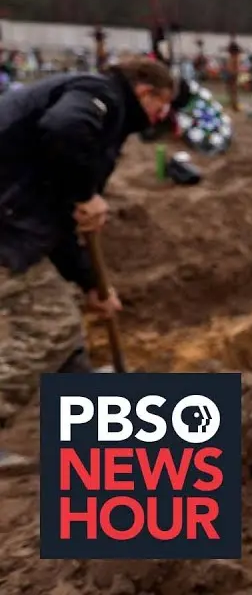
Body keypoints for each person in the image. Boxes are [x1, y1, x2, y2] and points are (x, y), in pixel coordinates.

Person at [0, 57, 175, 471]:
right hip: (5, 224)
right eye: (161, 106)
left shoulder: (95, 128)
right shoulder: (101, 95)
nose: (159, 118)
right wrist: (85, 194)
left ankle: (90, 408)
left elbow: (59, 222)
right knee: (51, 326)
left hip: (13, 222)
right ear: (145, 91)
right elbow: (63, 130)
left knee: (58, 317)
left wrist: (92, 284)